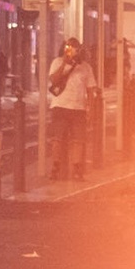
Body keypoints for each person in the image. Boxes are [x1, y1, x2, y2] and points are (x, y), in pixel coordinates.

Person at [48, 38, 94, 180]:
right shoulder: (57, 62)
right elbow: (53, 80)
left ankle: (76, 169)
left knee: (78, 140)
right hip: (60, 105)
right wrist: (64, 63)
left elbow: (90, 89)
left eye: (75, 48)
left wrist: (90, 108)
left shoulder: (85, 67)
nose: (73, 51)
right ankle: (55, 167)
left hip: (78, 107)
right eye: (69, 48)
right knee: (57, 139)